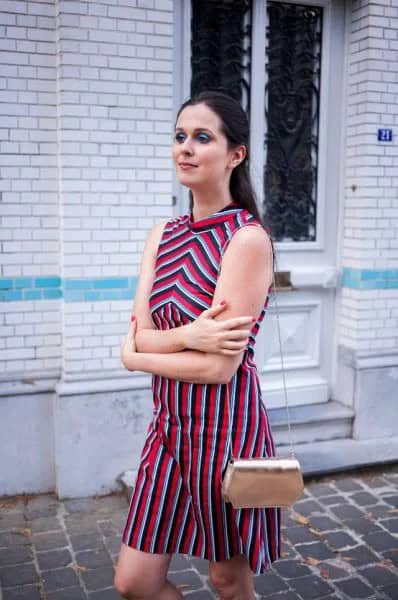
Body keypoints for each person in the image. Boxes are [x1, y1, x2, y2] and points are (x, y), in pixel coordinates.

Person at [114, 91, 282, 599]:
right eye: (180, 136)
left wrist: (134, 356)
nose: (185, 149)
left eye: (202, 137)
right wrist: (186, 336)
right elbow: (143, 333)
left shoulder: (246, 240)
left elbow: (218, 370)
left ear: (236, 155)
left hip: (226, 434)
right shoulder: (161, 235)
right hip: (167, 431)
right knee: (134, 583)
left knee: (227, 581)